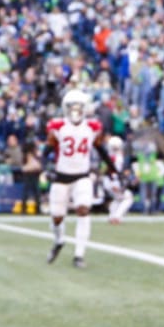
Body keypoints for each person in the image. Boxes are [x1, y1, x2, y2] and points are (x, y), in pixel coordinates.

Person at [45, 87, 114, 269]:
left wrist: (112, 168)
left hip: (82, 176)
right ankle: (59, 240)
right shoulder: (57, 126)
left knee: (83, 209)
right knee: (57, 217)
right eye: (72, 107)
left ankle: (79, 255)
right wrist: (44, 166)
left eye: (79, 107)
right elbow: (49, 149)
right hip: (61, 176)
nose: (76, 111)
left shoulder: (92, 127)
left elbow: (100, 149)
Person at [104, 135, 136, 224]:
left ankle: (112, 216)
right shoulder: (116, 157)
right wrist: (114, 183)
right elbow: (114, 171)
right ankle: (117, 216)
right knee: (128, 198)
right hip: (113, 181)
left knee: (118, 199)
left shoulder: (109, 155)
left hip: (108, 180)